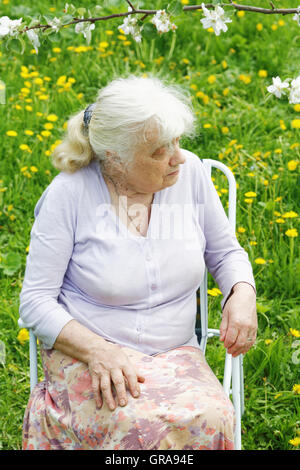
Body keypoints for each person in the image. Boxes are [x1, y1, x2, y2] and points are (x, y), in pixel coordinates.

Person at [19, 75, 257, 450]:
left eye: (177, 141)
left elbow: (226, 252)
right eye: (160, 150)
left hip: (176, 352)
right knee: (135, 427)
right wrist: (98, 350)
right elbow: (35, 302)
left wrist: (241, 292)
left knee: (213, 417)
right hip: (88, 352)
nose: (178, 157)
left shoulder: (189, 173)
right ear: (115, 156)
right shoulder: (68, 195)